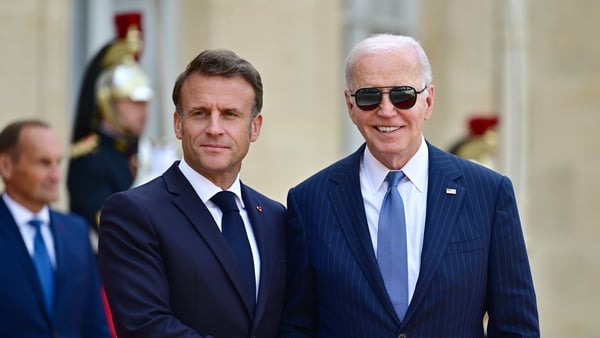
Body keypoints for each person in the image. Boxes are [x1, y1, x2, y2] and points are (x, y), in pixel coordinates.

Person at [280, 34, 539, 337]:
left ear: (428, 101)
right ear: (351, 106)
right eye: (369, 96)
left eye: (403, 95)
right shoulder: (310, 201)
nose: (387, 110)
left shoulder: (489, 194)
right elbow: (297, 326)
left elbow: (515, 326)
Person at [97, 49, 287, 338]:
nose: (214, 129)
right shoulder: (132, 213)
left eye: (230, 115)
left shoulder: (275, 217)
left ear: (254, 128)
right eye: (200, 113)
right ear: (178, 123)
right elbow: (147, 326)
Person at [0, 120, 110, 337]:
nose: (56, 175)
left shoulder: (76, 232)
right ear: (6, 166)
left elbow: (95, 323)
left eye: (58, 163)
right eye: (43, 163)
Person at [68, 12, 153, 231]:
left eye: (145, 102)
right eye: (133, 102)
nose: (144, 111)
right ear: (108, 103)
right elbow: (108, 224)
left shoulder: (145, 152)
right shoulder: (88, 158)